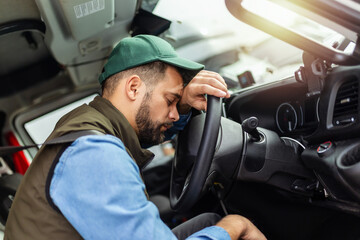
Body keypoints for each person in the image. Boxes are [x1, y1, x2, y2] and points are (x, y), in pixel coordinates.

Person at [4, 35, 266, 240]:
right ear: (133, 87)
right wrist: (236, 225)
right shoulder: (95, 153)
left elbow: (149, 132)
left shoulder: (91, 124)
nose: (174, 115)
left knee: (209, 222)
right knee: (230, 225)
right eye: (170, 100)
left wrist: (183, 104)